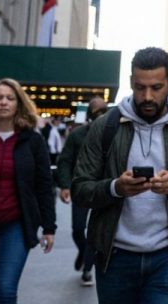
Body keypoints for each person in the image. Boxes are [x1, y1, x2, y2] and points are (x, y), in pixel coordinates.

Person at [72, 47, 168, 304]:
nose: (147, 96)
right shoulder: (105, 127)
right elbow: (80, 189)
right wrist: (116, 187)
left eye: (156, 87)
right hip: (114, 256)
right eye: (140, 87)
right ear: (131, 82)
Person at [0, 78, 57, 304]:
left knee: (5, 291)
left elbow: (44, 185)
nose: (4, 102)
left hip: (15, 225)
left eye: (10, 98)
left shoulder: (32, 140)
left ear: (18, 104)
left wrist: (49, 227)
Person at [56, 95, 109, 286]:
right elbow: (65, 161)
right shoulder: (77, 135)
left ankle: (87, 268)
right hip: (82, 188)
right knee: (78, 229)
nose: (100, 116)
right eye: (96, 112)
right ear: (89, 115)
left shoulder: (114, 133)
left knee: (98, 231)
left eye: (104, 111)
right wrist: (65, 186)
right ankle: (84, 251)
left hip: (105, 189)